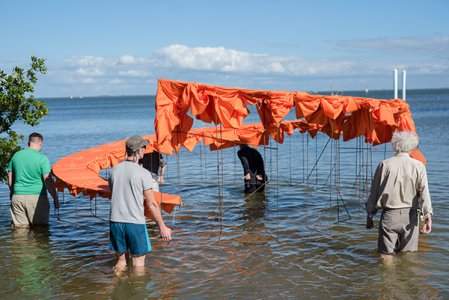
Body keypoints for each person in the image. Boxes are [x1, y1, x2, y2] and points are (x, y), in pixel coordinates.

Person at [109, 135, 172, 273]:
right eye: (143, 148)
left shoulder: (114, 171)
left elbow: (113, 192)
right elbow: (152, 204)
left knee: (120, 262)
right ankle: (138, 291)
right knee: (138, 265)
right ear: (138, 151)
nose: (145, 150)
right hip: (134, 223)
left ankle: (115, 288)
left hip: (115, 222)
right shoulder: (143, 173)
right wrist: (162, 226)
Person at [366, 131, 432, 258]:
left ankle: (388, 277)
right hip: (411, 216)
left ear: (394, 145)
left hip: (390, 215)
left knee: (386, 255)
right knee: (408, 255)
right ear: (412, 146)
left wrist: (370, 215)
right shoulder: (419, 166)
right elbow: (424, 193)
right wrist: (427, 216)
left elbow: (374, 193)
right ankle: (405, 277)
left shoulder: (384, 164)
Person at [6, 132, 59, 228]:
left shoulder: (16, 156)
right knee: (40, 230)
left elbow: (9, 179)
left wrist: (12, 193)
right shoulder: (42, 159)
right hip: (37, 198)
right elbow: (47, 180)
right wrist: (55, 198)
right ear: (40, 143)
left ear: (28, 143)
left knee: (20, 231)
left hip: (17, 197)